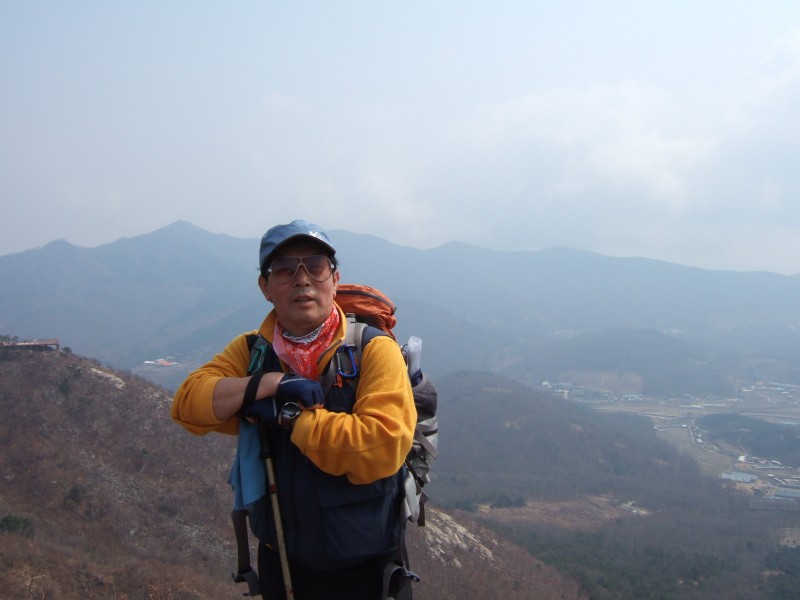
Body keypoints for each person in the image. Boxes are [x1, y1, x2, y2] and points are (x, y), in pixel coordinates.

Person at [171, 219, 417, 600]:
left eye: (315, 266)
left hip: (366, 571)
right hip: (282, 565)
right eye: (285, 269)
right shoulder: (253, 352)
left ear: (335, 279)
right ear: (265, 287)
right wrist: (268, 384)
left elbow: (382, 446)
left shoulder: (373, 350)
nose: (303, 279)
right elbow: (188, 403)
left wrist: (291, 417)